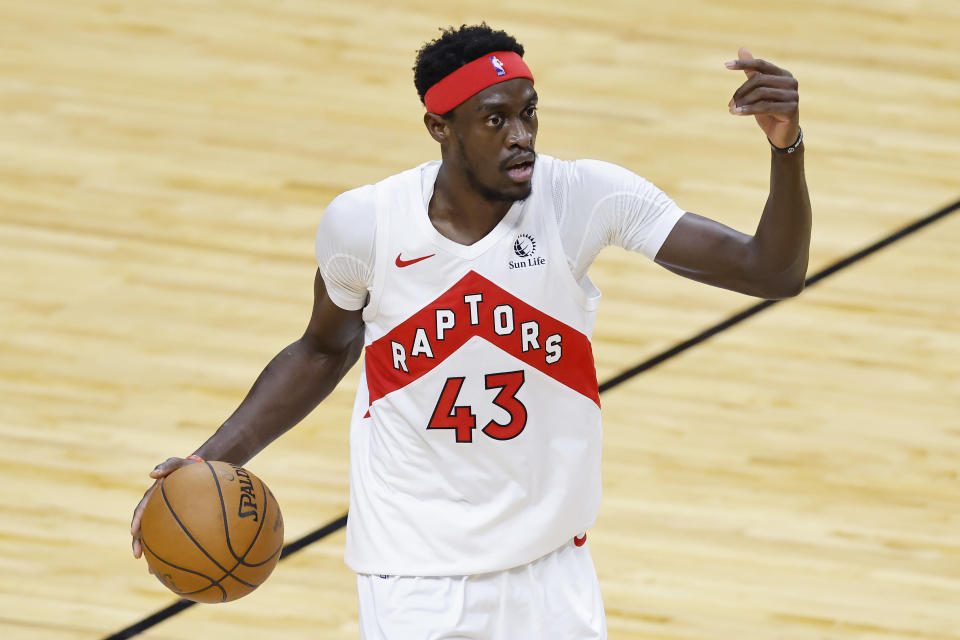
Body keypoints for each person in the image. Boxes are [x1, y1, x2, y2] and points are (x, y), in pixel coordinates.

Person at [130, 23, 809, 639]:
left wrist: (787, 147)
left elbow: (770, 270)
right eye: (496, 119)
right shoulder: (366, 224)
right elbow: (322, 348)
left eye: (528, 113)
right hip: (415, 572)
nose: (521, 136)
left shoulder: (579, 198)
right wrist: (211, 458)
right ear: (440, 126)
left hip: (550, 564)